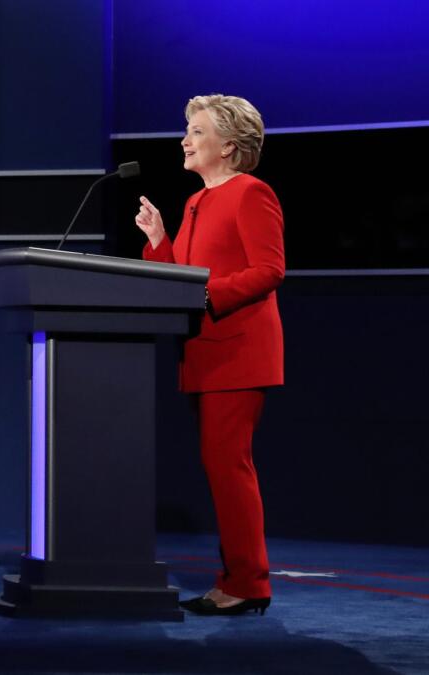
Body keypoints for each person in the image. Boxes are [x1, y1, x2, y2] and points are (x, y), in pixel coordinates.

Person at [135, 94, 284, 616]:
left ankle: (248, 583)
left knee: (230, 467)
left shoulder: (251, 193)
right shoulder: (196, 202)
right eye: (188, 130)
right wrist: (158, 240)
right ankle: (236, 579)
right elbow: (181, 278)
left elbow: (270, 270)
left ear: (229, 145)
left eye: (196, 131)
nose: (185, 139)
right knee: (219, 467)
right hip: (203, 352)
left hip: (238, 351)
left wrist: (207, 295)